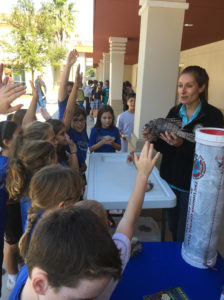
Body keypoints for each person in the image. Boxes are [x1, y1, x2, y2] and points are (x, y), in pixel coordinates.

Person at [9, 141, 160, 300]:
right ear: (40, 284)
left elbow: (127, 222)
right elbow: (128, 221)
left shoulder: (35, 263)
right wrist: (142, 175)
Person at [143, 65, 224, 241]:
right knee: (172, 225)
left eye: (189, 85)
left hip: (193, 185)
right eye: (180, 85)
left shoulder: (213, 116)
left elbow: (212, 157)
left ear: (201, 87)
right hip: (170, 182)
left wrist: (182, 145)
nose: (183, 91)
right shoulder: (174, 112)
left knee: (185, 231)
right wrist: (153, 139)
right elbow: (167, 148)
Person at [18, 165, 82, 260]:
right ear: (63, 206)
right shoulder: (59, 236)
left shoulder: (35, 216)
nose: (78, 202)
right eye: (77, 199)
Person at [0, 121, 19, 293]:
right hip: (9, 212)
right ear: (6, 142)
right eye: (18, 135)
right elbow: (9, 195)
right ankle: (12, 279)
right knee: (11, 246)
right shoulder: (4, 165)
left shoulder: (13, 158)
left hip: (14, 211)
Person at [58, 49, 79, 120]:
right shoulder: (64, 103)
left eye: (73, 91)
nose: (71, 95)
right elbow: (63, 85)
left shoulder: (81, 107)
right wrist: (68, 65)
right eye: (69, 92)